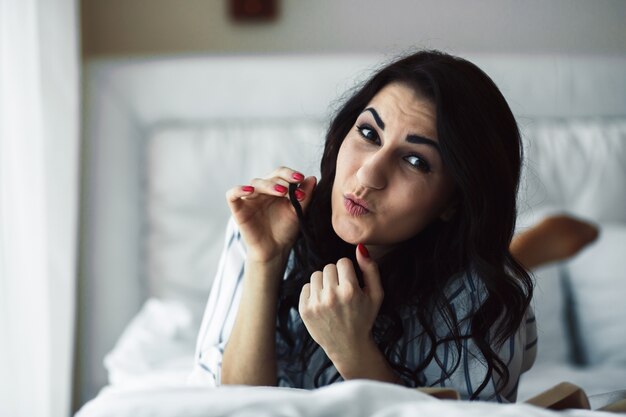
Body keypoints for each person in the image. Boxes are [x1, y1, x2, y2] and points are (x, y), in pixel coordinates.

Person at [189, 50, 579, 402]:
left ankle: (524, 249)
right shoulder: (267, 223)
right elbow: (233, 406)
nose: (369, 174)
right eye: (368, 133)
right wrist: (266, 261)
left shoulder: (487, 302)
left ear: (453, 202)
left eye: (415, 161)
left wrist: (352, 349)